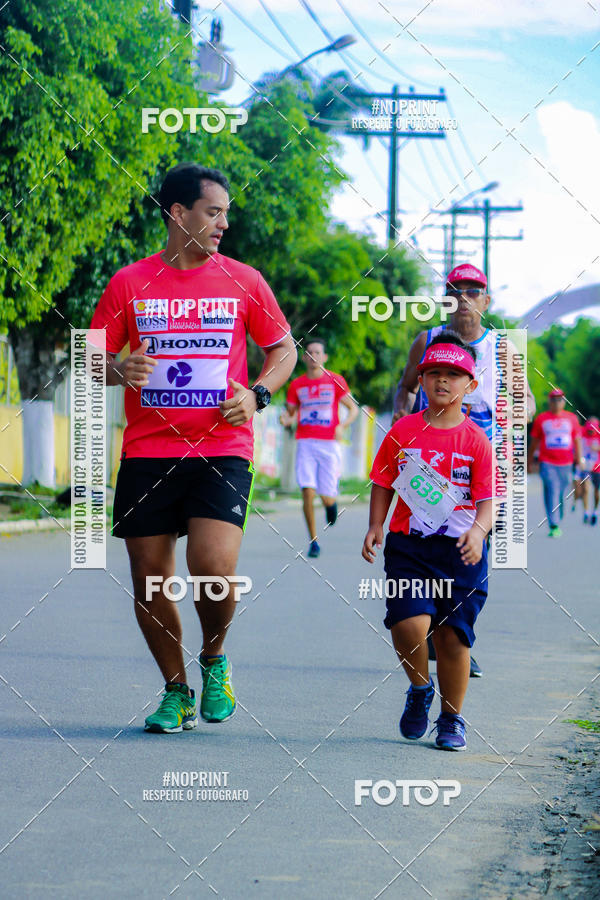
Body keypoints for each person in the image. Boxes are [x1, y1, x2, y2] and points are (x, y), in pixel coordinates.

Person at [90, 163, 296, 733]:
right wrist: (114, 367)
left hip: (222, 446)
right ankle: (176, 690)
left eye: (226, 213)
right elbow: (88, 360)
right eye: (214, 212)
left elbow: (284, 351)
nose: (223, 224)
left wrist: (257, 395)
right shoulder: (130, 282)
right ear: (178, 214)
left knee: (212, 570)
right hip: (148, 452)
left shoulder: (245, 281)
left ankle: (214, 658)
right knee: (150, 580)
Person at [392, 263, 532, 677]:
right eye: (456, 291)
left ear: (486, 302)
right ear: (446, 299)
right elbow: (406, 388)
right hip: (429, 461)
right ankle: (435, 631)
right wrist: (403, 410)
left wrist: (513, 418)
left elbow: (527, 403)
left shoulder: (503, 348)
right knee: (426, 541)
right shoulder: (427, 340)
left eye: (474, 291)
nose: (465, 298)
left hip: (478, 458)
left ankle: (457, 637)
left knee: (473, 545)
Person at [362, 332, 493, 751]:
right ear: (421, 379)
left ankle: (452, 719)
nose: (442, 381)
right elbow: (383, 480)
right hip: (409, 547)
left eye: (453, 374)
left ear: (470, 385)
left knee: (452, 637)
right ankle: (420, 689)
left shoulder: (476, 441)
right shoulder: (403, 430)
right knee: (408, 625)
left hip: (460, 553)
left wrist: (478, 531)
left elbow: (488, 503)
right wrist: (375, 526)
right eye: (434, 372)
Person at [280, 339, 358, 558]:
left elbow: (353, 409)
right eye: (309, 352)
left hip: (329, 443)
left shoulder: (335, 380)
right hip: (305, 442)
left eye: (318, 352)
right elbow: (291, 413)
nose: (313, 356)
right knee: (307, 490)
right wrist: (285, 419)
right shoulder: (297, 385)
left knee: (326, 494)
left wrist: (342, 426)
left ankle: (330, 504)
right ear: (304, 358)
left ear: (324, 357)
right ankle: (313, 541)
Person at [528, 389, 583, 537]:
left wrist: (579, 459)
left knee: (562, 492)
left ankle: (558, 517)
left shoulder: (571, 418)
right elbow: (534, 442)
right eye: (554, 400)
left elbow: (577, 440)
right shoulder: (542, 419)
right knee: (552, 489)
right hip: (547, 462)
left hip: (566, 463)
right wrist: (528, 461)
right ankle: (554, 523)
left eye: (560, 400)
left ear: (564, 402)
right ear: (550, 402)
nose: (557, 403)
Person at [580, 417, 600, 525]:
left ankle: (595, 511)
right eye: (589, 428)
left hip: (597, 466)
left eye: (593, 429)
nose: (591, 431)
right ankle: (586, 512)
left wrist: (597, 448)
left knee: (597, 491)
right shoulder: (582, 434)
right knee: (586, 489)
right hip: (585, 466)